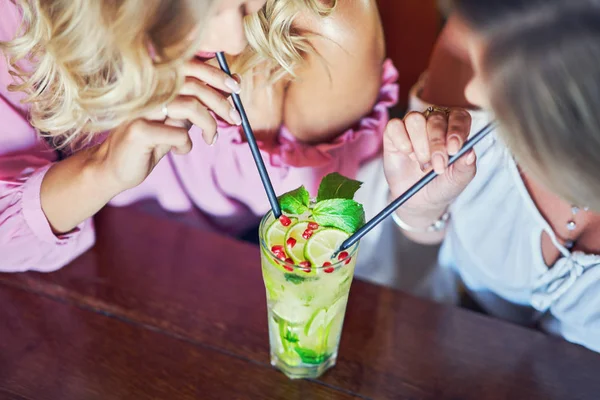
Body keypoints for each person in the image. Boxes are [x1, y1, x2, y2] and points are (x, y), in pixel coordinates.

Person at [0, 0, 398, 271]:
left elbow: (325, 231)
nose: (234, 41)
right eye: (203, 10)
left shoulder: (323, 27)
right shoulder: (17, 21)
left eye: (243, 5)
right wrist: (101, 171)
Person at [383, 0, 600, 352]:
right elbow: (421, 240)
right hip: (441, 340)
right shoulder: (473, 37)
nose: (475, 91)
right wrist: (420, 206)